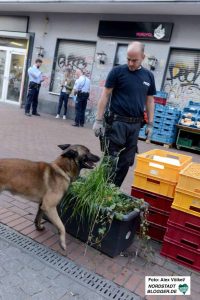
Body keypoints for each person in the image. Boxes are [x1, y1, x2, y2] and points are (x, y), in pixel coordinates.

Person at [93, 41, 156, 187]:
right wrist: (98, 120)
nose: (131, 63)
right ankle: (100, 189)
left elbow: (150, 100)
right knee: (111, 159)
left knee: (126, 161)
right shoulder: (117, 72)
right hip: (117, 123)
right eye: (128, 59)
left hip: (135, 125)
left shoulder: (148, 76)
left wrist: (151, 124)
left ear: (143, 57)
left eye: (135, 60)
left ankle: (113, 190)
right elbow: (105, 95)